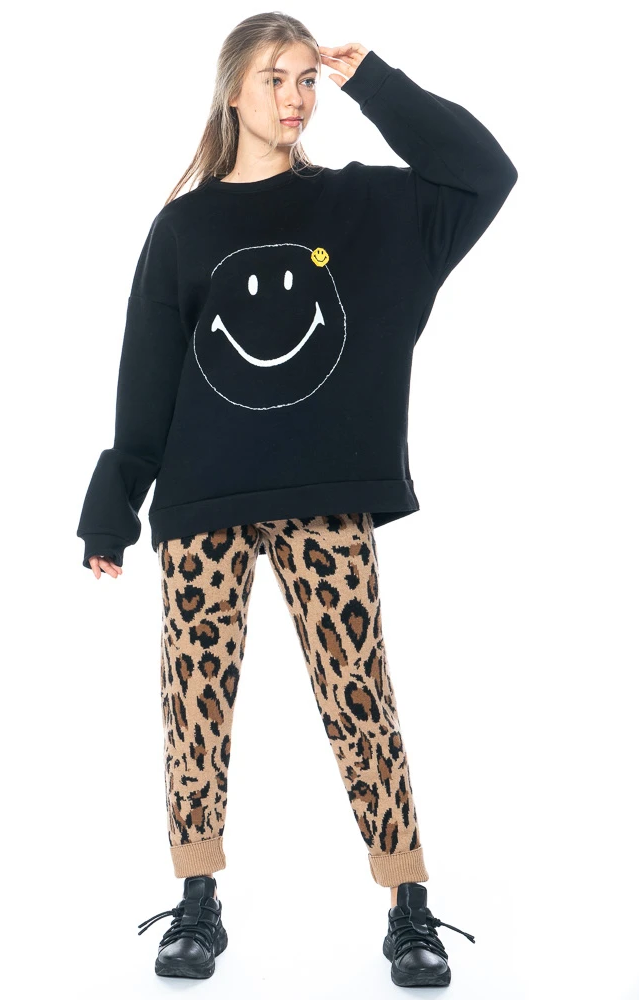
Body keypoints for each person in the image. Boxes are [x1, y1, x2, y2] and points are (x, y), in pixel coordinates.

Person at [77, 11, 517, 989]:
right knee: (194, 699)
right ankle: (198, 900)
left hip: (325, 492)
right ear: (233, 90)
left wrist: (377, 83)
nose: (294, 97)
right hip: (203, 496)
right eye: (274, 77)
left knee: (361, 695)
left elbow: (484, 174)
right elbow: (147, 381)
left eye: (305, 79)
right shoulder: (183, 228)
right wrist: (115, 507)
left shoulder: (361, 208)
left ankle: (408, 905)